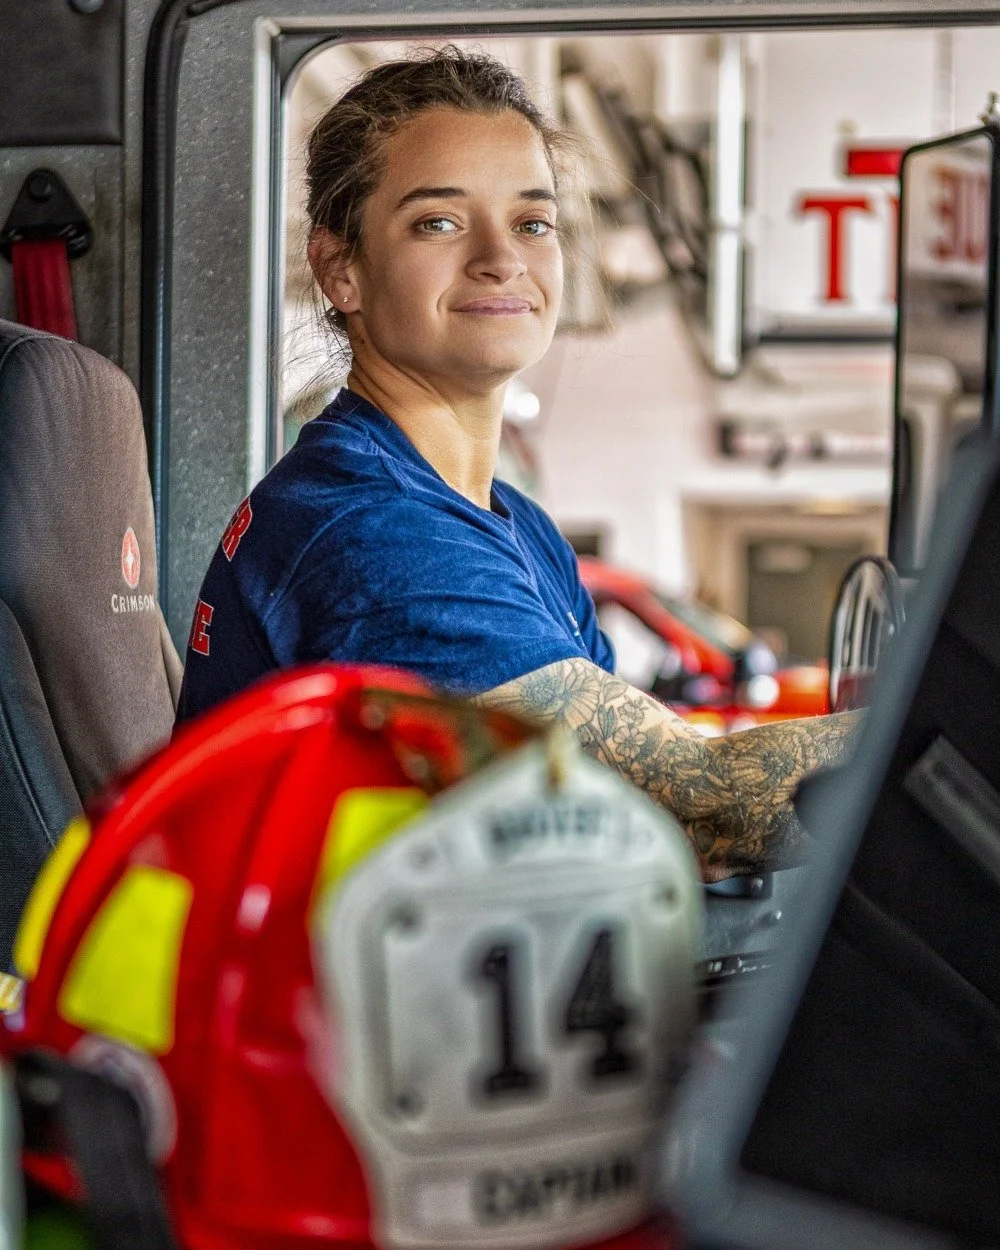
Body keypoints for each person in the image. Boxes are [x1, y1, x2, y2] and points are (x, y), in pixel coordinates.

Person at [175, 47, 861, 881]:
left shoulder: (514, 525)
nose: (502, 258)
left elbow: (630, 825)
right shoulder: (373, 530)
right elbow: (695, 803)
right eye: (439, 221)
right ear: (339, 268)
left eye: (533, 222)